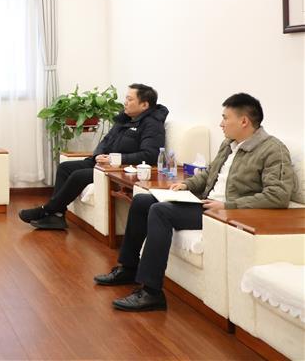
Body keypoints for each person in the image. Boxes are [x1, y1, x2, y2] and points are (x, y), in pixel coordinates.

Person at [94, 93, 294, 312]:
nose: (221, 124)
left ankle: (152, 293)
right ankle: (129, 268)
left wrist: (229, 206)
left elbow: (278, 195)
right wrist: (186, 185)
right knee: (142, 201)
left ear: (244, 121)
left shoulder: (272, 149)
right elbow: (209, 173)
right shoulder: (229, 144)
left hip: (227, 213)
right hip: (207, 204)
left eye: (225, 118)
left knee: (160, 211)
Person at [20, 83, 168, 230]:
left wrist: (115, 159)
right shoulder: (124, 119)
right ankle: (57, 216)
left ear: (144, 105)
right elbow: (106, 140)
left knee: (78, 175)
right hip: (104, 164)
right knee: (65, 168)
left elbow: (150, 155)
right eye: (126, 98)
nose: (125, 102)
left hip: (120, 170)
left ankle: (46, 210)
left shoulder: (152, 124)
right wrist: (98, 154)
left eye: (130, 99)